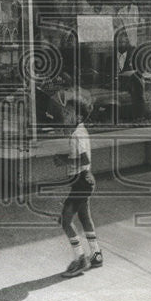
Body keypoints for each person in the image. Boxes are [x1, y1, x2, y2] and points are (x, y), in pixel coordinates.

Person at [54, 95, 102, 277]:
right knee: (84, 217)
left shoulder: (77, 134)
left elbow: (84, 159)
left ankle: (80, 259)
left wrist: (62, 160)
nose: (64, 115)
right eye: (64, 112)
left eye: (68, 113)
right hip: (82, 182)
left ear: (79, 117)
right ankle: (96, 254)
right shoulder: (79, 131)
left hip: (81, 181)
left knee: (65, 220)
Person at [115, 30, 146, 121]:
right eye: (118, 42)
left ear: (127, 42)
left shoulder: (134, 53)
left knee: (137, 89)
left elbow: (141, 69)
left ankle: (138, 115)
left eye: (123, 42)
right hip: (116, 82)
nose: (120, 44)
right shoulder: (112, 56)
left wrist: (133, 73)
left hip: (132, 81)